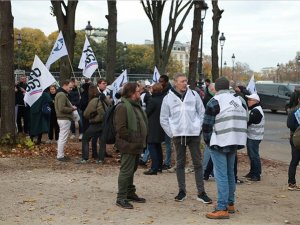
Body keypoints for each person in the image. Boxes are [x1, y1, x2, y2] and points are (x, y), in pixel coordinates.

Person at [160, 73, 212, 204]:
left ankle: (201, 192)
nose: (185, 83)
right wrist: (172, 133)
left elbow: (202, 113)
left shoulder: (194, 95)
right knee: (180, 163)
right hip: (178, 135)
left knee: (198, 163)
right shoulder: (168, 98)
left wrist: (198, 128)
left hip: (193, 135)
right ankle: (182, 191)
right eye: (182, 81)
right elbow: (163, 118)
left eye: (186, 81)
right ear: (175, 83)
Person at [203, 77, 248, 219]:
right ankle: (230, 203)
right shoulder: (239, 100)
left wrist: (208, 141)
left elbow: (207, 125)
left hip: (219, 141)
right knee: (229, 173)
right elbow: (246, 117)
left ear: (215, 88)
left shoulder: (215, 101)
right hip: (235, 140)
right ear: (228, 86)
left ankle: (222, 207)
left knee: (221, 174)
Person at [115, 82, 148, 209]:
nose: (140, 93)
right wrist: (134, 139)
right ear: (131, 93)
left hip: (136, 145)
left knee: (131, 170)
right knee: (126, 171)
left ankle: (129, 193)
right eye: (138, 91)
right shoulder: (122, 107)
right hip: (128, 145)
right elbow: (121, 129)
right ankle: (121, 198)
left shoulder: (135, 105)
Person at [76, 86, 108, 164]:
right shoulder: (103, 99)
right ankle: (101, 159)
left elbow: (86, 114)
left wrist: (91, 117)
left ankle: (85, 158)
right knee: (102, 141)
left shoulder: (94, 101)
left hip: (96, 123)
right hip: (104, 123)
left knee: (85, 138)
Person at [144, 83, 165, 175]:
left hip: (152, 126)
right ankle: (159, 166)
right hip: (161, 126)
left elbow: (147, 113)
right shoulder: (163, 99)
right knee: (158, 146)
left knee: (152, 146)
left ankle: (154, 168)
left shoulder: (153, 100)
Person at [244, 93, 265, 182]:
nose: (248, 101)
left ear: (256, 101)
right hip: (253, 136)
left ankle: (256, 174)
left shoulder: (255, 111)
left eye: (250, 100)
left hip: (254, 136)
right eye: (248, 100)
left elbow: (247, 122)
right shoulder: (254, 109)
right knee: (252, 155)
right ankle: (253, 172)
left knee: (254, 156)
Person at [55, 80, 76, 162]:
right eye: (70, 87)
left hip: (62, 118)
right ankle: (60, 155)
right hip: (64, 118)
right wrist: (72, 108)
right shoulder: (61, 94)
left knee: (62, 137)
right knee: (62, 138)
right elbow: (61, 108)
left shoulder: (61, 94)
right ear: (65, 85)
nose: (70, 89)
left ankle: (61, 154)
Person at [159, 74, 173, 170]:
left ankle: (167, 161)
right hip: (163, 118)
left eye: (162, 81)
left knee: (168, 142)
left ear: (166, 82)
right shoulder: (162, 91)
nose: (160, 83)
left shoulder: (169, 92)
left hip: (169, 120)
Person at [286, 96, 300, 191]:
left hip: (295, 138)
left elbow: (289, 125)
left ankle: (291, 183)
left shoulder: (294, 111)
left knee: (294, 161)